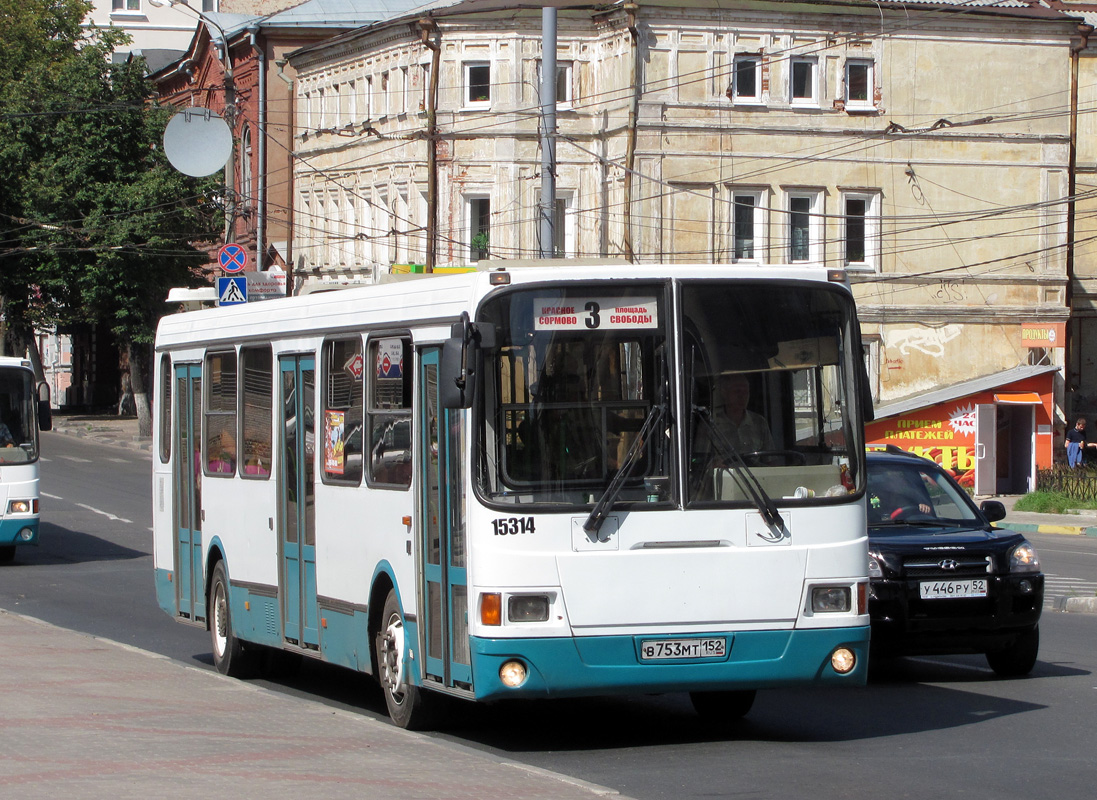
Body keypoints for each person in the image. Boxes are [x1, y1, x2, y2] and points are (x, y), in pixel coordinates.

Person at [708, 372, 774, 454]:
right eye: (737, 391)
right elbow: (700, 460)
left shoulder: (759, 423)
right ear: (724, 392)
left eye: (746, 392)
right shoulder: (710, 422)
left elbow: (771, 461)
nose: (742, 396)